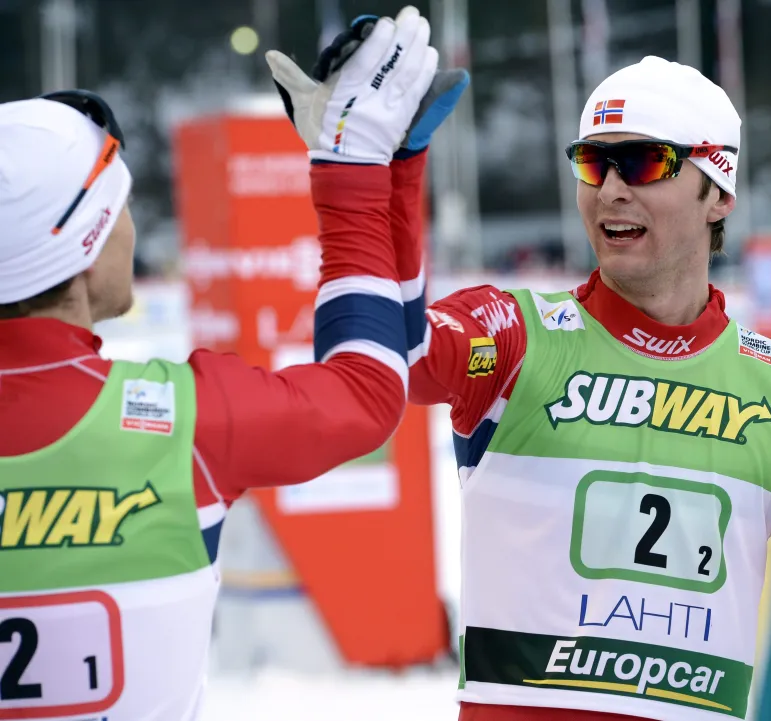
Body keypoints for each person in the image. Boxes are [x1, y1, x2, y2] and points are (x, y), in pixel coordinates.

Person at [277, 17, 771, 721]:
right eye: (594, 163)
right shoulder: (514, 338)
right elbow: (391, 360)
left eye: (646, 162)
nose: (611, 189)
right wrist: (396, 169)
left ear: (717, 192)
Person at [0, 9, 443, 720]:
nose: (133, 230)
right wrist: (355, 168)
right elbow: (368, 391)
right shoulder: (184, 423)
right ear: (86, 245)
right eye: (123, 206)